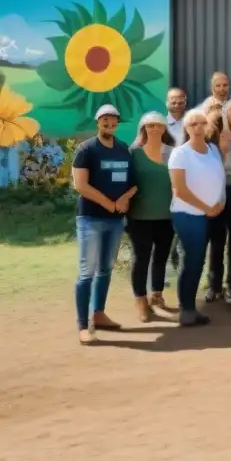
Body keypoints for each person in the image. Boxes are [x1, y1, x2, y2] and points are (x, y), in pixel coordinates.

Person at [72, 105, 137, 344]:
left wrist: (125, 200)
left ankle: (98, 314)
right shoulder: (86, 150)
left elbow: (133, 183)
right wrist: (110, 204)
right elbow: (80, 185)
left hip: (115, 221)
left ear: (117, 123)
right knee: (86, 272)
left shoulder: (123, 149)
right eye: (105, 120)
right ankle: (82, 326)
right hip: (90, 219)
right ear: (98, 122)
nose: (109, 124)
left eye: (113, 120)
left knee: (105, 269)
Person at [167, 108, 226, 327]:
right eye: (193, 124)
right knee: (191, 261)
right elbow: (179, 190)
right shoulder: (180, 153)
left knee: (198, 261)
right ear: (186, 128)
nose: (199, 127)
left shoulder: (212, 149)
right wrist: (205, 207)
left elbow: (219, 178)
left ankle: (191, 307)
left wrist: (220, 203)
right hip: (189, 215)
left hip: (212, 215)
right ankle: (187, 310)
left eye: (202, 123)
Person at [127, 112, 175, 322]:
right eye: (150, 125)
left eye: (158, 125)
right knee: (141, 258)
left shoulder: (173, 153)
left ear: (164, 129)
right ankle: (140, 301)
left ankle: (157, 296)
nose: (154, 129)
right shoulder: (133, 153)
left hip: (167, 216)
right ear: (143, 129)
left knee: (161, 258)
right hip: (140, 217)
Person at [206, 97, 231, 303]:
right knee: (217, 240)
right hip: (218, 192)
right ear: (225, 113)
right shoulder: (213, 135)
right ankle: (214, 285)